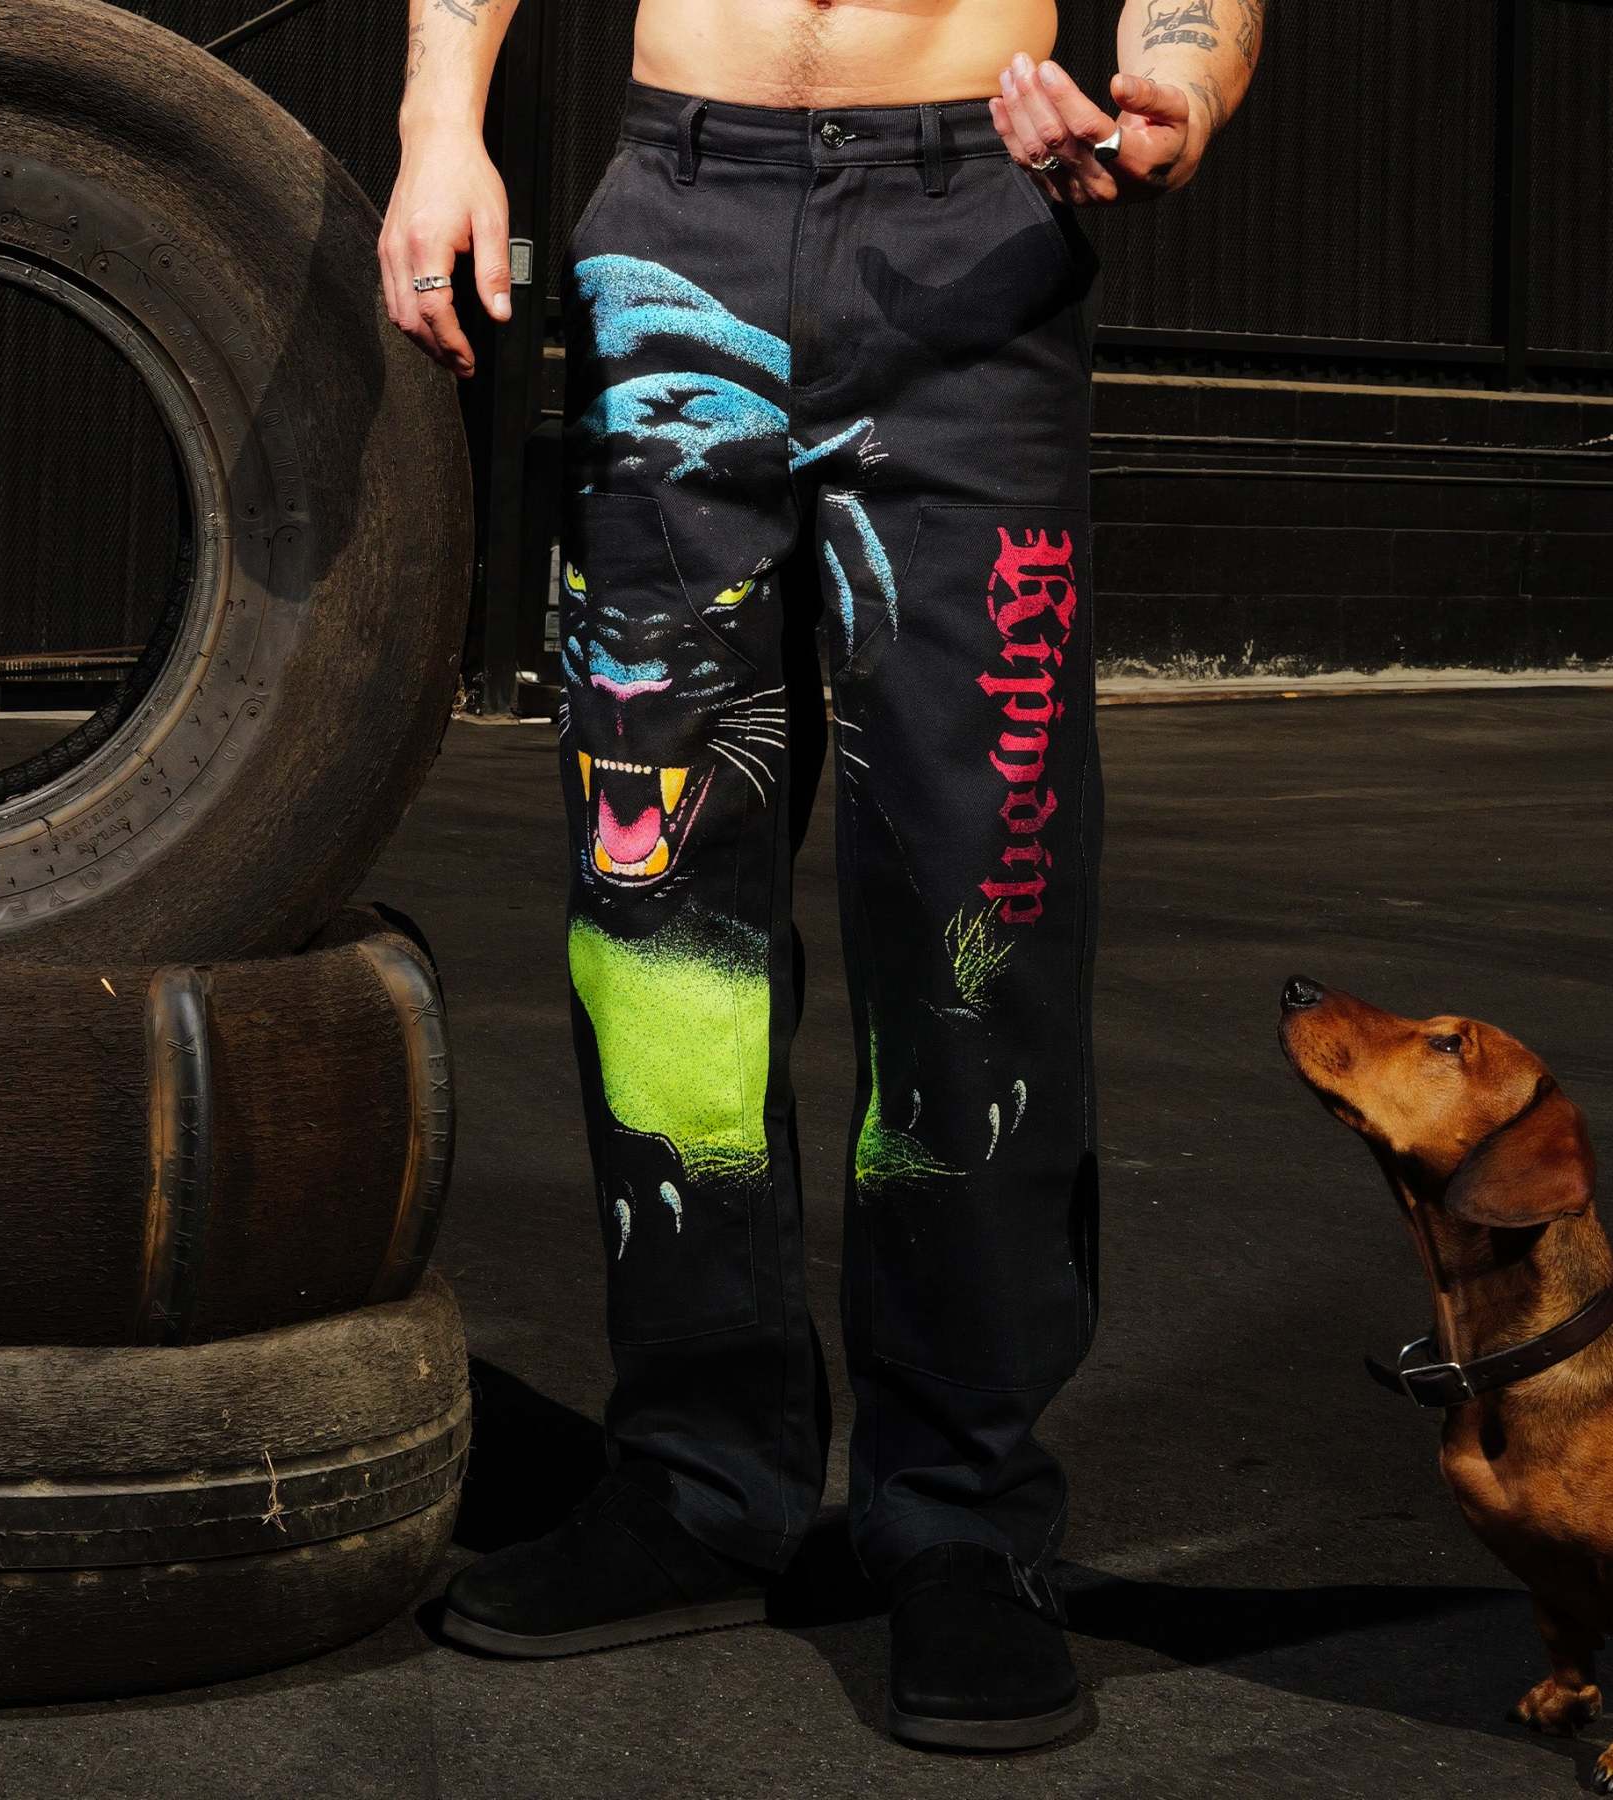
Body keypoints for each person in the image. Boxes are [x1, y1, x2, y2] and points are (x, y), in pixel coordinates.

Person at [381, 0, 1261, 1752]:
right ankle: (702, 1479)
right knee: (659, 909)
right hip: (677, 209)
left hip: (970, 235)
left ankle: (960, 1516)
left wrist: (1179, 88)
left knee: (977, 901)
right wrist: (437, 124)